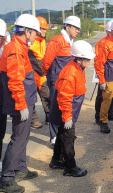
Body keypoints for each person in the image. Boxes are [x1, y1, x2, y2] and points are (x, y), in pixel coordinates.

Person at [0, 14, 40, 193]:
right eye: (35, 33)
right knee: (18, 137)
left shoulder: (19, 46)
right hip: (20, 101)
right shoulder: (15, 49)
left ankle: (20, 168)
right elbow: (15, 80)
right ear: (27, 31)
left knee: (23, 136)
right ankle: (6, 178)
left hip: (26, 99)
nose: (36, 37)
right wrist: (21, 104)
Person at [49, 40, 95, 177]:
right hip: (65, 109)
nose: (90, 60)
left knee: (63, 133)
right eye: (87, 58)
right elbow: (64, 97)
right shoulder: (70, 73)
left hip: (70, 109)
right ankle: (70, 167)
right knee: (68, 136)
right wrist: (68, 116)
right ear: (79, 58)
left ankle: (56, 160)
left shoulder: (79, 68)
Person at [42, 16, 81, 147]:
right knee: (55, 107)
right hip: (56, 81)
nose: (78, 31)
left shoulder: (72, 41)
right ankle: (54, 137)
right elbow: (46, 62)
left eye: (79, 29)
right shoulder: (56, 41)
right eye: (76, 28)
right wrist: (51, 77)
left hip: (68, 81)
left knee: (66, 105)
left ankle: (64, 133)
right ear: (68, 27)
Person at [28, 16, 50, 128]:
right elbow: (33, 60)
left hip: (40, 75)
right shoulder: (31, 42)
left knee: (46, 96)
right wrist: (43, 71)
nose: (44, 31)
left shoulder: (43, 40)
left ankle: (49, 117)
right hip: (32, 74)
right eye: (42, 29)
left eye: (45, 29)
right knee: (31, 98)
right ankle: (34, 120)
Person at [94, 20, 113, 125]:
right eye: (112, 32)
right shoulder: (102, 43)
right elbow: (98, 62)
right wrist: (101, 78)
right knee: (102, 96)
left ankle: (109, 113)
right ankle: (99, 116)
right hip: (105, 74)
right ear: (108, 31)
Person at [0, 18, 7, 175]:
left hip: (0, 100)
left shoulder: (1, 52)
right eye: (1, 37)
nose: (4, 40)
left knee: (0, 130)